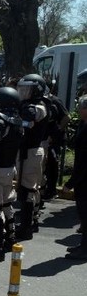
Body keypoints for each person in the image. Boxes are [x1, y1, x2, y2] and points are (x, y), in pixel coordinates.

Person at [0, 86, 25, 262]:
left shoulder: (1, 122)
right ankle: (10, 238)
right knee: (7, 205)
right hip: (10, 167)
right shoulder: (18, 120)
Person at [14, 74, 50, 240]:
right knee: (26, 188)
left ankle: (27, 226)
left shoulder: (39, 106)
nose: (23, 93)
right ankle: (30, 221)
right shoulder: (28, 104)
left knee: (29, 189)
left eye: (27, 89)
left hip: (33, 151)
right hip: (27, 151)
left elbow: (28, 117)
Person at [63, 97, 87, 260]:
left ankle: (84, 249)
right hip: (82, 178)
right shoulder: (82, 124)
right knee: (83, 214)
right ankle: (83, 245)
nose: (78, 110)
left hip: (85, 178)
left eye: (81, 107)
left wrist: (70, 183)